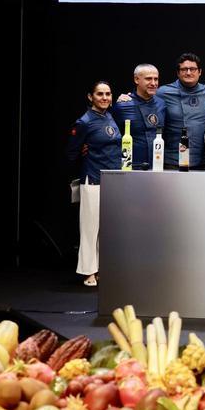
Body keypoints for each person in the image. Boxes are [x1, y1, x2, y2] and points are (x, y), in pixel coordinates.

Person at [66, 81, 122, 287]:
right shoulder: (84, 122)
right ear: (91, 97)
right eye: (100, 94)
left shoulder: (109, 115)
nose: (105, 98)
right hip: (92, 178)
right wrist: (83, 155)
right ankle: (88, 271)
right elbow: (71, 153)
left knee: (104, 229)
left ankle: (100, 268)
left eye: (108, 94)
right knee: (90, 229)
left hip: (111, 178)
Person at [157, 53, 205, 169]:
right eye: (184, 69)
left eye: (192, 69)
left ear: (200, 72)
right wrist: (129, 97)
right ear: (178, 73)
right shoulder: (163, 92)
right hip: (172, 160)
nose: (188, 73)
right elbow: (146, 101)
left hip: (201, 161)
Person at [111, 63, 165, 170]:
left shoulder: (162, 104)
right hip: (130, 167)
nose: (153, 83)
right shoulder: (123, 105)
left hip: (157, 167)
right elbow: (111, 138)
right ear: (136, 79)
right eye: (148, 79)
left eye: (156, 79)